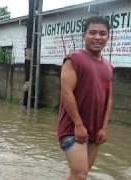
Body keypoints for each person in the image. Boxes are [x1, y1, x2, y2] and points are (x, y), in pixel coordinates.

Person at [57, 16, 113, 180]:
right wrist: (78, 124)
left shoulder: (109, 66)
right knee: (80, 175)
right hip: (73, 127)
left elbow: (108, 99)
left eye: (102, 33)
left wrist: (103, 127)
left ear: (108, 37)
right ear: (84, 35)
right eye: (92, 32)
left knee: (79, 175)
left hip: (95, 129)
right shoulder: (74, 59)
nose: (97, 37)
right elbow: (66, 92)